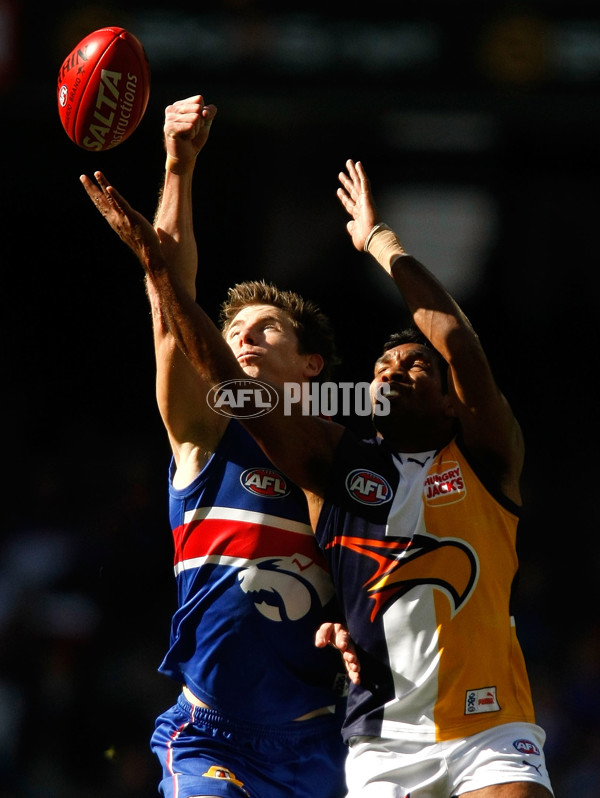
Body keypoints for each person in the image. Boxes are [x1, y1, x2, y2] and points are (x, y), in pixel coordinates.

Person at [82, 143, 554, 793]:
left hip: (380, 735)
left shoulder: (462, 457)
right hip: (292, 735)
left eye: (414, 365)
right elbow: (208, 369)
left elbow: (458, 344)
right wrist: (159, 263)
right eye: (384, 366)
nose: (392, 371)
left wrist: (379, 241)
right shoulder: (289, 455)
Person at [82, 96, 353, 798]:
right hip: (212, 737)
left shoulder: (347, 455)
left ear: (311, 367)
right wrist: (178, 165)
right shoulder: (207, 435)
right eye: (236, 332)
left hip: (327, 744)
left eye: (266, 329)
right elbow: (172, 311)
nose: (244, 338)